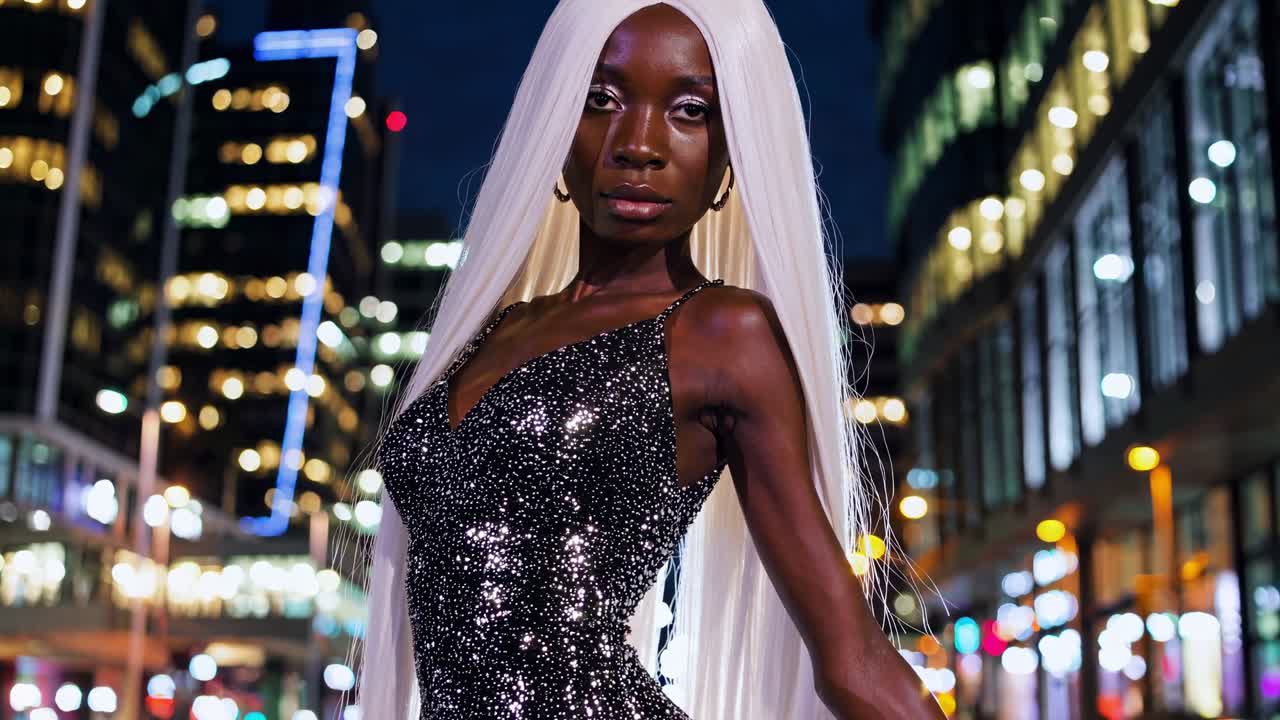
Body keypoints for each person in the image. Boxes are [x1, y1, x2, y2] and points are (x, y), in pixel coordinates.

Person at [356, 1, 945, 718]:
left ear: (732, 155)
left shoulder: (721, 333)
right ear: (554, 124)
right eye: (601, 100)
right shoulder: (493, 328)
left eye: (691, 110)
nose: (638, 144)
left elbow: (854, 662)